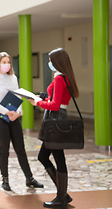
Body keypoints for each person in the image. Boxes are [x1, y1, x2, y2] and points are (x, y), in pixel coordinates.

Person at [0, 52, 43, 191]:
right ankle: (5, 180)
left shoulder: (13, 78)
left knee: (21, 150)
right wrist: (7, 112)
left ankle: (29, 178)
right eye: (4, 62)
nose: (7, 65)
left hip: (14, 118)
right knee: (4, 151)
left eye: (8, 62)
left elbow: (19, 96)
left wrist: (18, 112)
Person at [29, 48, 78, 208]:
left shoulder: (58, 78)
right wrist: (45, 97)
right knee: (52, 156)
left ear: (57, 62)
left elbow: (55, 105)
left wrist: (37, 103)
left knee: (49, 156)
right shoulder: (66, 77)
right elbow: (58, 100)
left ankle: (61, 197)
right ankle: (63, 195)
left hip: (54, 119)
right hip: (59, 118)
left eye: (50, 60)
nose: (49, 63)